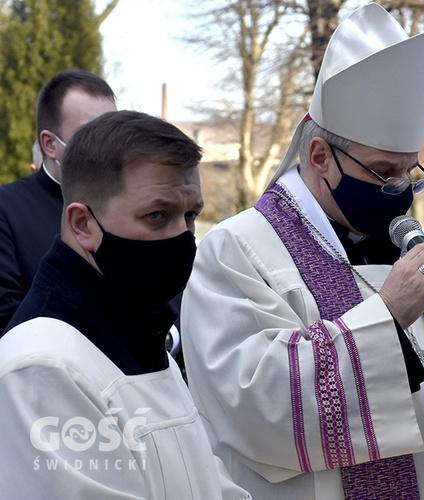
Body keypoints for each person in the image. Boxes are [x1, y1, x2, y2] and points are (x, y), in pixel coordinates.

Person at [181, 4, 424, 499]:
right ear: (320, 158)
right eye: (385, 172)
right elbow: (252, 408)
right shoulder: (238, 250)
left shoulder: (416, 255)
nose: (401, 188)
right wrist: (386, 319)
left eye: (411, 172)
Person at [0, 110, 250, 499]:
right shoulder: (42, 366)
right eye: (157, 215)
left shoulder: (139, 327)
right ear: (83, 224)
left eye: (191, 216)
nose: (182, 238)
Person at [0, 69, 117, 332]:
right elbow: (7, 319)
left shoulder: (129, 203)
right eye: (91, 134)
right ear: (50, 144)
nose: (109, 147)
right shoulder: (6, 210)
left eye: (113, 132)